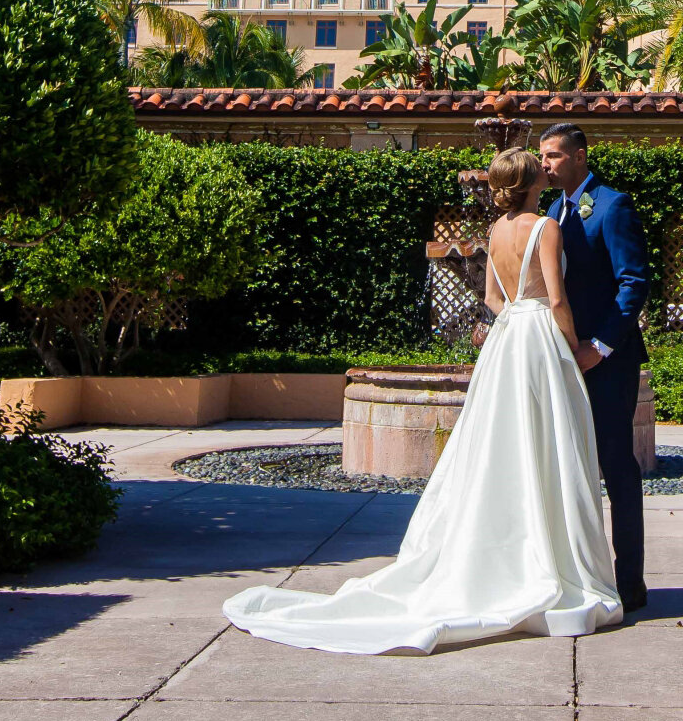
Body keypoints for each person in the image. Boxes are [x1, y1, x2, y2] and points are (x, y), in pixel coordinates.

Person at [221, 147, 621, 653]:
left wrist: (516, 316)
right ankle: (553, 555)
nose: (546, 169)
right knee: (551, 441)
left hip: (506, 340)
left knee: (500, 442)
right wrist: (571, 348)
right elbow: (559, 299)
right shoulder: (546, 228)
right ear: (530, 182)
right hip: (541, 338)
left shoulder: (496, 232)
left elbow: (494, 300)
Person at [539, 121, 648, 612]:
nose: (546, 164)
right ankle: (581, 579)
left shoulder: (613, 205)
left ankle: (630, 585)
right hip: (562, 360)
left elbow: (633, 283)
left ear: (581, 156)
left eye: (555, 155)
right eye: (542, 156)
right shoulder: (550, 211)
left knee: (616, 467)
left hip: (608, 362)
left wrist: (600, 345)